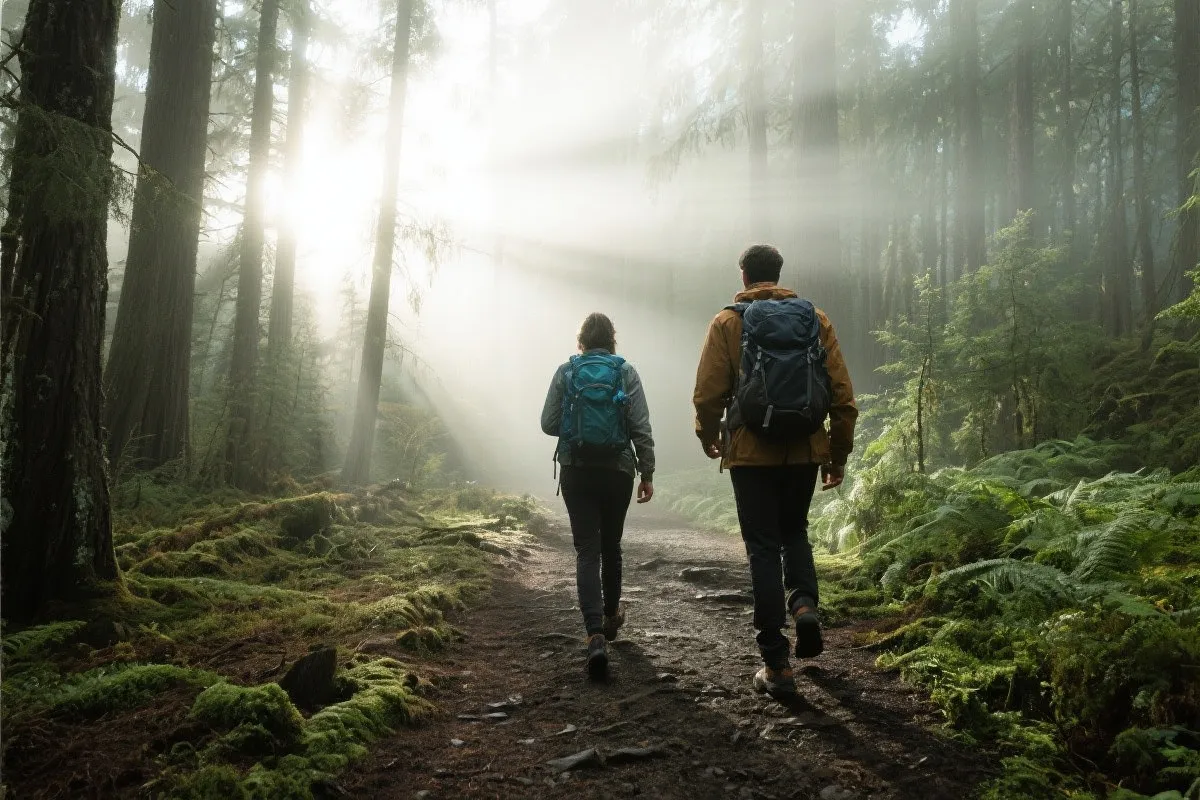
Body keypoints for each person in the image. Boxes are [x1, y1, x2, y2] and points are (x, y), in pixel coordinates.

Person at [692, 244, 857, 697]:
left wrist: (708, 436)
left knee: (762, 546)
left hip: (749, 451)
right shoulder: (815, 319)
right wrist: (836, 457)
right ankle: (804, 605)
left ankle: (777, 664)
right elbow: (842, 397)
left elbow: (708, 394)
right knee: (795, 532)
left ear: (743, 276)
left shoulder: (728, 322)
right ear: (779, 274)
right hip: (804, 448)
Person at [541, 312, 656, 680]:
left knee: (586, 552)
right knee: (611, 545)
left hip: (576, 469)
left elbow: (547, 422)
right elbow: (640, 425)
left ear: (581, 341)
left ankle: (593, 636)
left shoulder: (566, 372)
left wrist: (575, 429)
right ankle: (610, 618)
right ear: (612, 341)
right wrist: (647, 471)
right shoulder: (625, 372)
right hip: (617, 471)